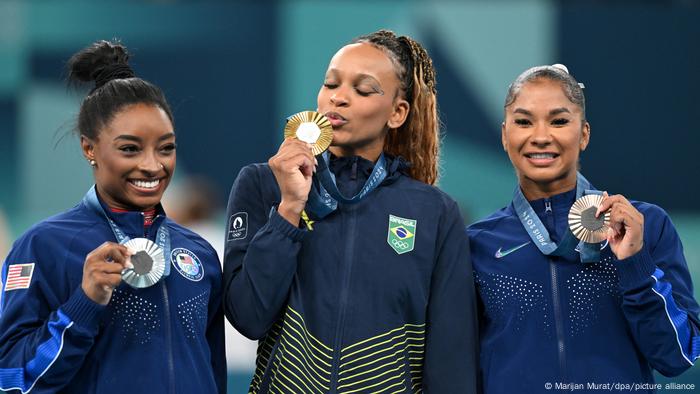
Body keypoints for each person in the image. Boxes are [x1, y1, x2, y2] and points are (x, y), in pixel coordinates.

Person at [224, 30, 477, 393]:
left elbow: (451, 363)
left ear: (397, 113)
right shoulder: (263, 184)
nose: (338, 98)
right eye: (331, 84)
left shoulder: (435, 213)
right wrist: (289, 209)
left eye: (363, 90)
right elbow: (248, 317)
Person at [0, 40, 226, 393]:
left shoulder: (199, 254)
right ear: (89, 148)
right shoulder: (44, 246)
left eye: (166, 148)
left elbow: (213, 374)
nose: (152, 165)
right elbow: (10, 378)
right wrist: (84, 302)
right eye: (129, 149)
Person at [467, 64, 700, 393]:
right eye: (523, 121)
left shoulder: (644, 225)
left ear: (584, 134)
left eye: (559, 121)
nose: (541, 136)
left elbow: (678, 357)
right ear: (505, 135)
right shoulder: (477, 244)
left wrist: (635, 262)